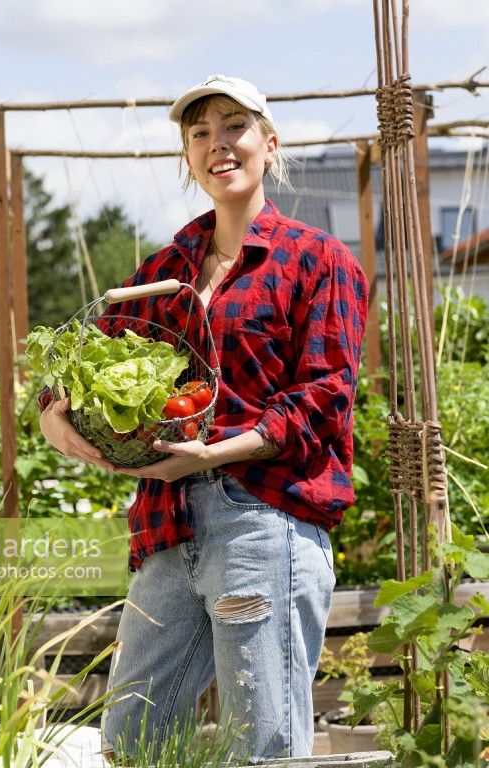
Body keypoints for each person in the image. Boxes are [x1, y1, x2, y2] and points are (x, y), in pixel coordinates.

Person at [38, 74, 369, 764]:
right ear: (187, 158)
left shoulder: (317, 260)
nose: (217, 144)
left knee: (261, 746)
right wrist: (52, 414)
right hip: (165, 524)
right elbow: (77, 360)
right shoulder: (165, 270)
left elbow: (326, 398)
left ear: (269, 144)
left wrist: (216, 455)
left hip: (262, 518)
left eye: (233, 127)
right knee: (133, 742)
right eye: (199, 133)